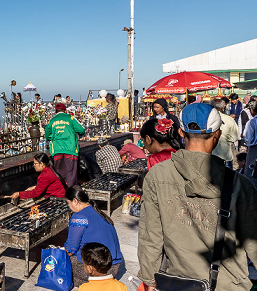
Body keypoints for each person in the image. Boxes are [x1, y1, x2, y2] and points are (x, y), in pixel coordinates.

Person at [138, 103, 257, 291]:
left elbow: (150, 236)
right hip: (228, 285)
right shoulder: (240, 185)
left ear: (182, 133)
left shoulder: (157, 176)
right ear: (217, 134)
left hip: (177, 282)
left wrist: (149, 278)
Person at [64, 185, 124, 288]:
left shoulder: (78, 217)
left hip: (98, 269)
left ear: (75, 201)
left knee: (61, 263)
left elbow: (70, 249)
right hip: (114, 268)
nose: (69, 206)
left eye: (68, 203)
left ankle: (84, 282)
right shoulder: (97, 212)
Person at [45, 102, 86, 187]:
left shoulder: (52, 121)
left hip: (57, 150)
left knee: (59, 174)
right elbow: (81, 130)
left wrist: (56, 136)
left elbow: (47, 136)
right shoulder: (70, 118)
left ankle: (60, 193)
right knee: (71, 174)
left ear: (55, 112)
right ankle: (70, 194)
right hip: (70, 150)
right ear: (65, 111)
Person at [211, 98, 239, 168]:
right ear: (223, 108)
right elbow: (235, 137)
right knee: (227, 177)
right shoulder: (229, 119)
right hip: (225, 155)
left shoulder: (205, 119)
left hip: (211, 156)